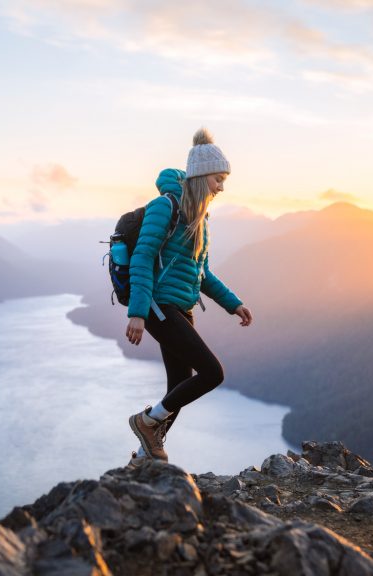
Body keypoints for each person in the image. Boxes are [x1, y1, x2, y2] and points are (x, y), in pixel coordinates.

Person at [126, 127, 253, 464]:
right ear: (201, 175)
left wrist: (233, 304)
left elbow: (202, 274)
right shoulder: (165, 207)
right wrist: (137, 311)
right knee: (213, 373)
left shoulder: (201, 220)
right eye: (219, 179)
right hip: (157, 306)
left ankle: (144, 457)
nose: (222, 187)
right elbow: (141, 255)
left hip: (180, 308)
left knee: (179, 386)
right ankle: (146, 422)